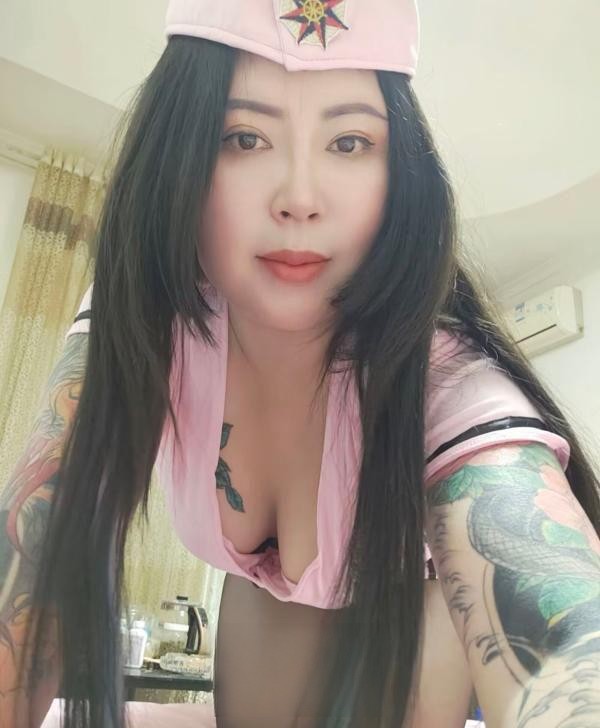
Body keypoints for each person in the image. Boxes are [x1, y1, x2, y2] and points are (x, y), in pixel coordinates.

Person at [1, 1, 599, 726]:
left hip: (408, 606)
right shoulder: (144, 317)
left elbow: (564, 641)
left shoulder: (443, 374)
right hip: (258, 596)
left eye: (349, 142)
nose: (300, 199)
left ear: (399, 175)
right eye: (244, 137)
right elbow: (38, 548)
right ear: (177, 156)